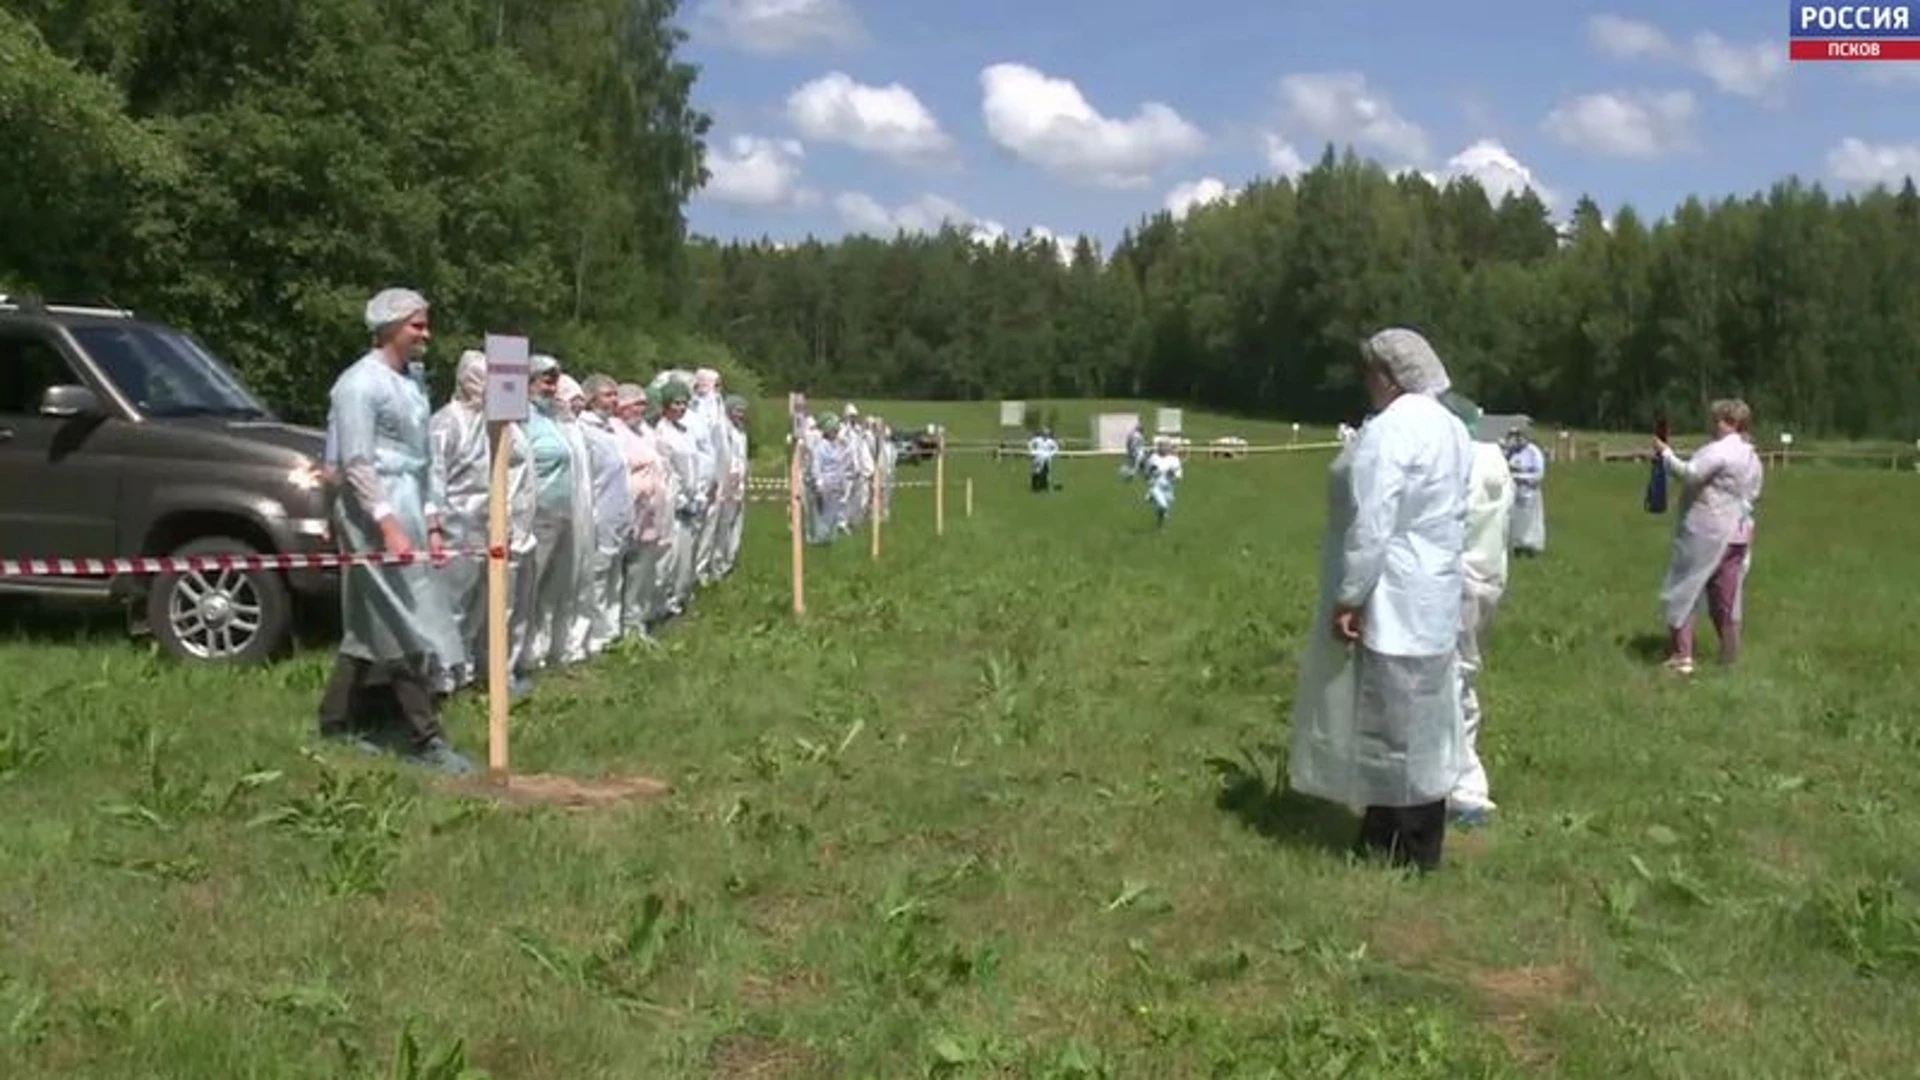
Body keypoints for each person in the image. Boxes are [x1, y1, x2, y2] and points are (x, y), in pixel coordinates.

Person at [1289, 327, 1471, 872]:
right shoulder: (1452, 428)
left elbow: (1373, 523)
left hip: (1394, 593)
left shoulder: (1391, 430)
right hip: (1435, 593)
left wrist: (1350, 596)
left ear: (1387, 376)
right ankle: (1387, 830)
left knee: (1392, 722)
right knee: (1422, 717)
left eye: (1370, 374)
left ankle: (1406, 848)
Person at [316, 288, 473, 775]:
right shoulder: (358, 386)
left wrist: (429, 520)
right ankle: (423, 735)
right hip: (373, 511)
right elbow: (357, 462)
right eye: (416, 325)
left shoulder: (409, 382)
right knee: (407, 617)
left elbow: (421, 458)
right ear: (388, 327)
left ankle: (336, 722)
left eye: (426, 324)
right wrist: (386, 524)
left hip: (405, 503)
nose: (426, 334)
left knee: (370, 620)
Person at [1442, 393, 1513, 825]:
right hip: (1488, 575)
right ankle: (1460, 782)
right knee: (1463, 673)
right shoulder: (1495, 459)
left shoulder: (1460, 462)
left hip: (1454, 576)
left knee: (1449, 679)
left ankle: (1462, 787)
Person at [1653, 399, 1763, 675]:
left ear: (1731, 422)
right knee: (1727, 596)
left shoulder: (1719, 451)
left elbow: (1691, 475)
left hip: (1706, 530)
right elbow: (1752, 494)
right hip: (1738, 532)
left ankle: (1682, 656)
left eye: (1719, 420)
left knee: (1684, 588)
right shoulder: (1752, 456)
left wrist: (1666, 455)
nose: (1715, 425)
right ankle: (1729, 656)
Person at [575, 374, 634, 655]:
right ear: (591, 399)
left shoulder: (612, 430)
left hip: (619, 513)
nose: (614, 401)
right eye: (608, 395)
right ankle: (594, 637)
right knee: (597, 579)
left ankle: (612, 632)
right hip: (599, 513)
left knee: (615, 577)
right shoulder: (584, 430)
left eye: (615, 395)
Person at [612, 383, 669, 634]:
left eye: (643, 405)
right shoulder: (614, 431)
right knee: (621, 572)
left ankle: (636, 621)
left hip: (649, 514)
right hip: (626, 512)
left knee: (642, 572)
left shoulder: (645, 432)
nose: (641, 410)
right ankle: (621, 624)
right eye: (636, 404)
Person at [713, 395, 750, 576]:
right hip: (729, 482)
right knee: (724, 525)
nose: (740, 414)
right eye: (737, 410)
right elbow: (726, 456)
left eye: (743, 411)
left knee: (736, 524)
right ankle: (718, 563)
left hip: (740, 482)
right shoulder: (725, 430)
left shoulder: (741, 431)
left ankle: (730, 560)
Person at [1505, 428, 1546, 555]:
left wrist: (1521, 477)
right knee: (1516, 519)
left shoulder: (1534, 452)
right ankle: (1517, 544)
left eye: (1521, 437)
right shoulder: (1512, 452)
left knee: (1530, 521)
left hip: (1530, 491)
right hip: (1515, 491)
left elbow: (1539, 474)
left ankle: (1531, 546)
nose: (1519, 440)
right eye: (1517, 437)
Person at [1142, 435, 1182, 527]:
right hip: (1156, 487)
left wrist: (1172, 474)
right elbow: (1146, 473)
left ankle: (1160, 525)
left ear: (1169, 447)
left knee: (1163, 512)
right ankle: (1152, 494)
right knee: (1163, 506)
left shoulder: (1175, 460)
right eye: (1161, 445)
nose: (1163, 447)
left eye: (1165, 445)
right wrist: (1153, 473)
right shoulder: (1153, 458)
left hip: (1169, 488)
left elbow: (1179, 477)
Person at [1028, 427, 1059, 492]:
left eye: (1047, 434)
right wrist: (1032, 451)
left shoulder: (1050, 441)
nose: (1045, 435)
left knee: (1046, 471)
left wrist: (1051, 454)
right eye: (1044, 434)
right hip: (1038, 457)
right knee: (1036, 471)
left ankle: (1044, 486)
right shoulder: (1037, 440)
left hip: (1047, 458)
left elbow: (1056, 448)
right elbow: (1030, 443)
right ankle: (1035, 487)